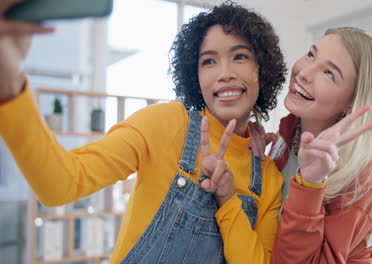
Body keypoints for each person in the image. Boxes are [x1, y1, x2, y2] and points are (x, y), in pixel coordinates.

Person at [0, 1, 287, 263]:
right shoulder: (164, 123)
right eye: (208, 61)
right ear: (196, 79)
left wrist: (227, 200)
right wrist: (9, 83)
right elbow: (60, 184)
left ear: (262, 70)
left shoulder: (268, 178)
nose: (224, 72)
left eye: (240, 56)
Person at [250, 27, 372, 263]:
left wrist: (310, 185)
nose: (304, 73)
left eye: (329, 73)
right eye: (311, 55)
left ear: (351, 103)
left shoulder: (364, 178)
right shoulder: (289, 133)